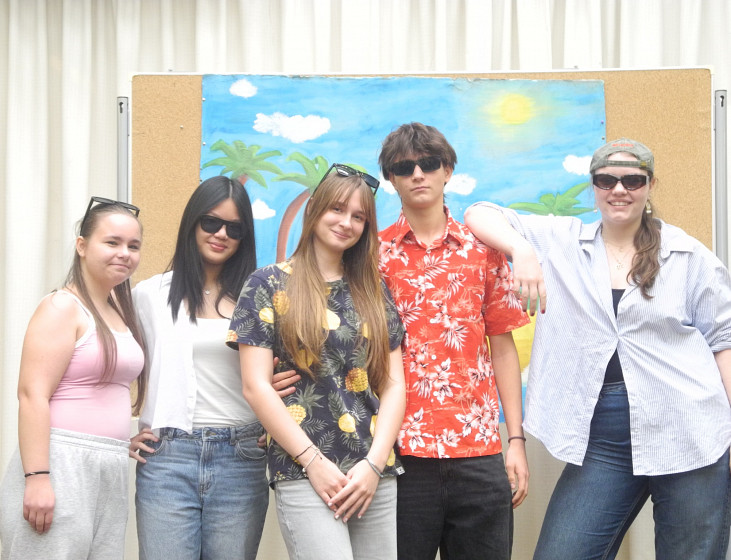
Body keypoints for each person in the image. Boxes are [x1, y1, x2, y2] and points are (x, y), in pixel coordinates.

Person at [464, 138, 731, 560]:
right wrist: (521, 249)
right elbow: (478, 213)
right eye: (606, 180)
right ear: (594, 186)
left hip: (689, 428)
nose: (619, 189)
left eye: (632, 180)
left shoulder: (687, 255)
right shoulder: (562, 240)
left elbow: (724, 341)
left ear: (650, 185)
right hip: (602, 437)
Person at [228, 164, 406, 560]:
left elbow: (394, 384)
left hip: (373, 471)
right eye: (337, 209)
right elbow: (255, 387)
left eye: (358, 216)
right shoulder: (267, 284)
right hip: (304, 469)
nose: (346, 223)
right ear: (315, 209)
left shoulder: (374, 288)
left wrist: (374, 464)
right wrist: (313, 462)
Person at [376, 122, 530, 560]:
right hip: (400, 453)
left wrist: (515, 441)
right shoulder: (372, 255)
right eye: (404, 167)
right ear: (391, 179)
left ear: (447, 170)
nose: (417, 174)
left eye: (428, 164)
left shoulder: (483, 251)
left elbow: (502, 348)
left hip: (479, 450)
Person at [132, 176, 297, 560]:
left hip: (241, 456)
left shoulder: (260, 298)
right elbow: (116, 365)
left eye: (234, 228)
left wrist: (276, 410)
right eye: (211, 222)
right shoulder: (149, 295)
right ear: (192, 222)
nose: (221, 234)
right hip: (167, 457)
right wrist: (119, 435)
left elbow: (286, 371)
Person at [0, 197, 146, 559]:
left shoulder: (118, 312)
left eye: (133, 246)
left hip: (108, 468)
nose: (124, 253)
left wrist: (116, 442)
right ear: (82, 245)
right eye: (112, 242)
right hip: (60, 464)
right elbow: (32, 395)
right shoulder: (62, 307)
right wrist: (37, 478)